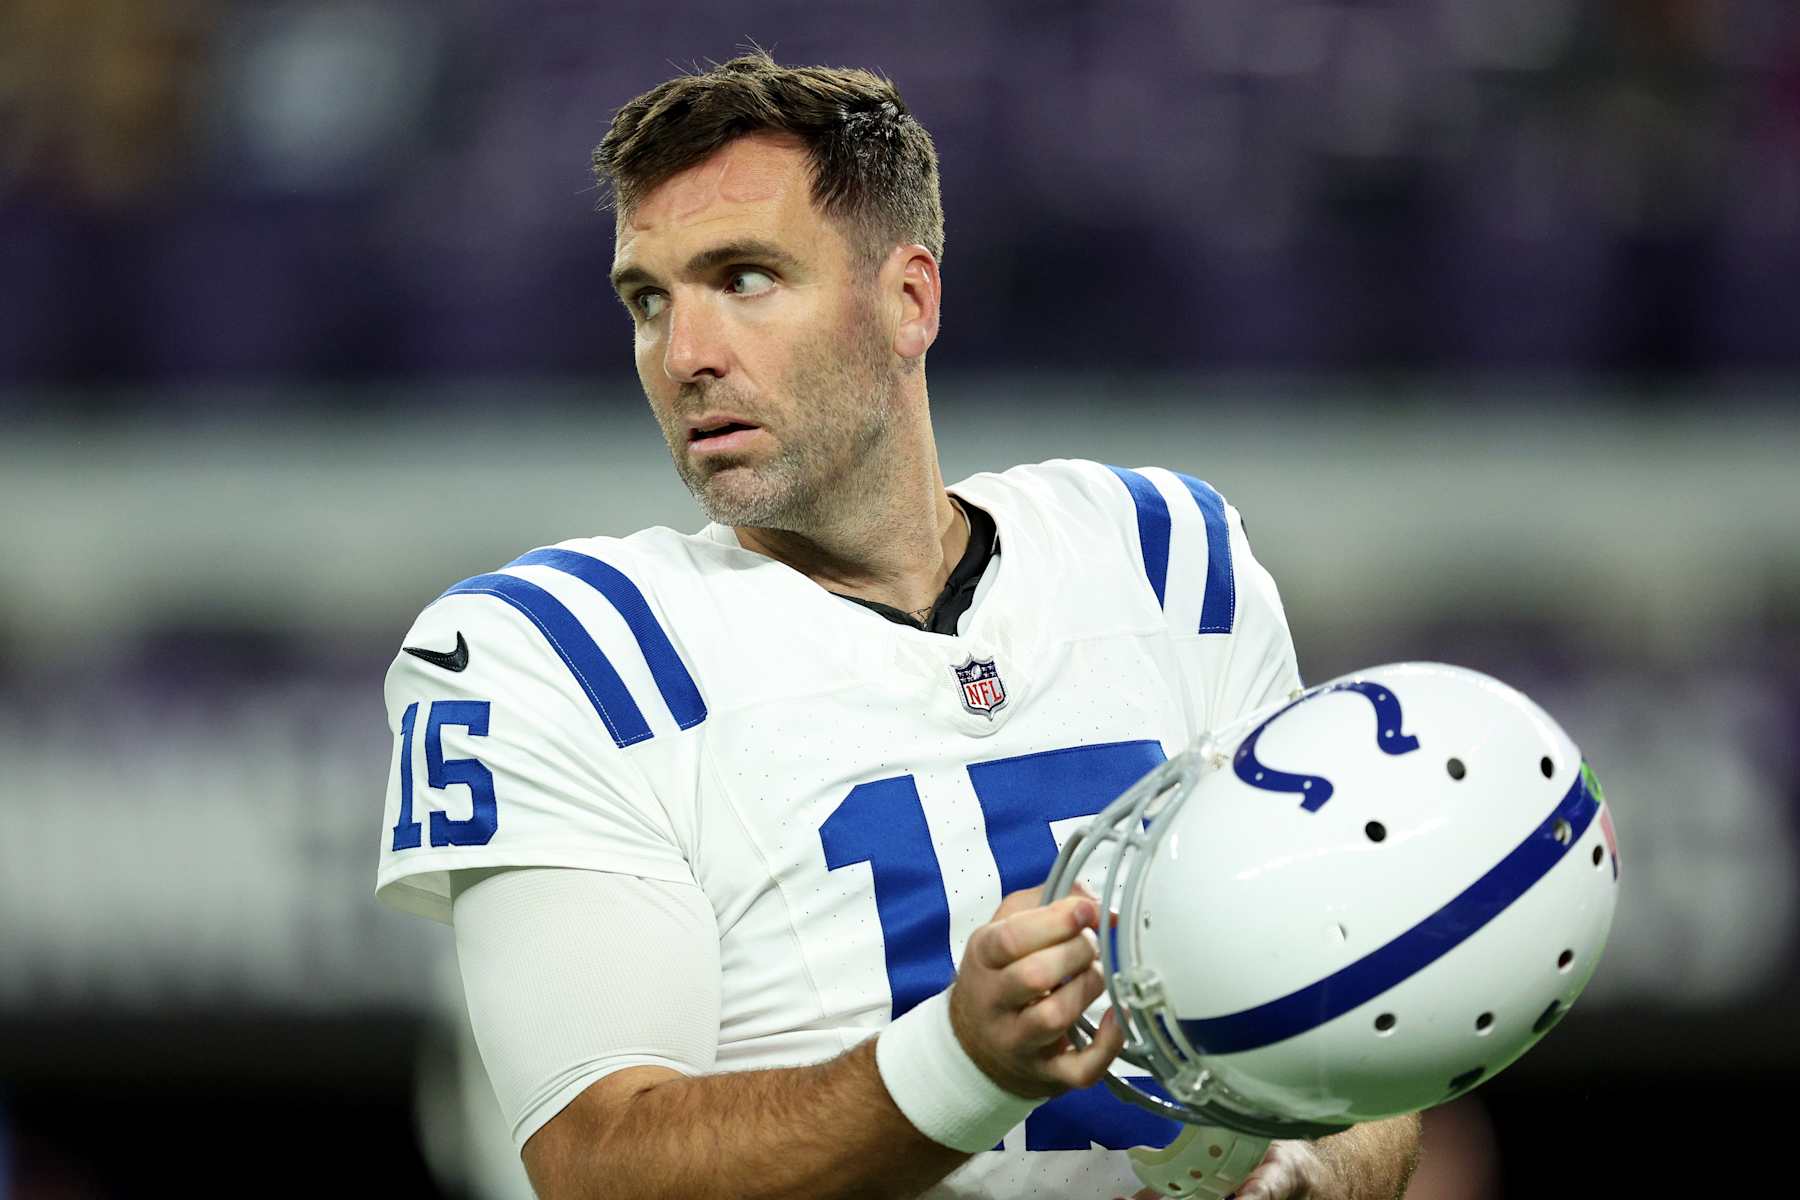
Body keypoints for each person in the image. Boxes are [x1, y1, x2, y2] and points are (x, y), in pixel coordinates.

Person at [375, 52, 1421, 1200]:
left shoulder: (1165, 556)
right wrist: (959, 1063)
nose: (685, 357)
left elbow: (1350, 1028)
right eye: (649, 299)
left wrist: (1311, 1172)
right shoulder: (557, 654)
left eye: (747, 278)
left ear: (909, 298)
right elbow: (601, 1164)